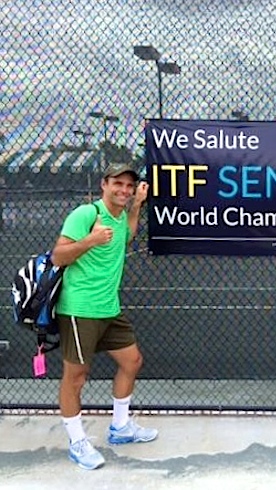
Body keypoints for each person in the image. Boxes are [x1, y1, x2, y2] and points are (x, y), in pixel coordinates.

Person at [51, 163, 156, 470]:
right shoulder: (86, 215)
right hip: (80, 309)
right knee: (76, 377)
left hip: (109, 309)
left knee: (131, 361)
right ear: (104, 185)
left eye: (129, 186)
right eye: (118, 184)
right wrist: (90, 241)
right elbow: (58, 256)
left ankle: (121, 428)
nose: (123, 190)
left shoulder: (121, 215)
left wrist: (136, 207)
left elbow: (124, 238)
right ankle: (77, 443)